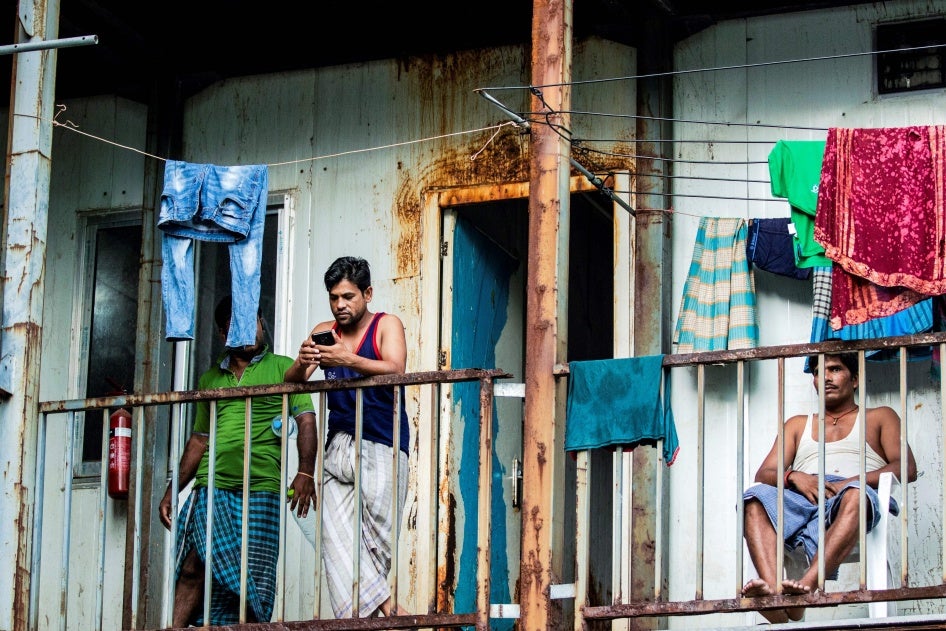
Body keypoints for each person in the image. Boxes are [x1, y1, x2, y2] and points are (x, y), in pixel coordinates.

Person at [158, 296, 317, 626]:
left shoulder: (283, 367)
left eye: (254, 320)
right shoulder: (210, 380)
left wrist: (305, 470)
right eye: (239, 323)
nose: (251, 329)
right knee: (193, 567)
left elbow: (305, 418)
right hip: (212, 489)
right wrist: (173, 490)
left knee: (249, 586)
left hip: (260, 491)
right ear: (222, 334)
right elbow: (199, 439)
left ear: (261, 323)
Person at [742, 352, 917, 623]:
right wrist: (794, 477)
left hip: (851, 497)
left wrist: (850, 482)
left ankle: (807, 588)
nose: (825, 377)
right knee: (753, 499)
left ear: (855, 379)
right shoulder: (798, 424)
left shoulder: (879, 417)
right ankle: (776, 598)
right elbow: (764, 473)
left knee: (856, 495)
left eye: (834, 369)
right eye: (817, 372)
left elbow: (906, 468)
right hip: (802, 498)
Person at [284, 255, 409, 619]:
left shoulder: (387, 325)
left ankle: (370, 618)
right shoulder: (325, 329)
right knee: (334, 536)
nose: (340, 305)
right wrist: (302, 359)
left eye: (348, 296)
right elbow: (295, 381)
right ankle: (389, 607)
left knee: (377, 546)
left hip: (383, 443)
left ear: (367, 294)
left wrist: (346, 357)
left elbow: (396, 368)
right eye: (334, 297)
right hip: (339, 445)